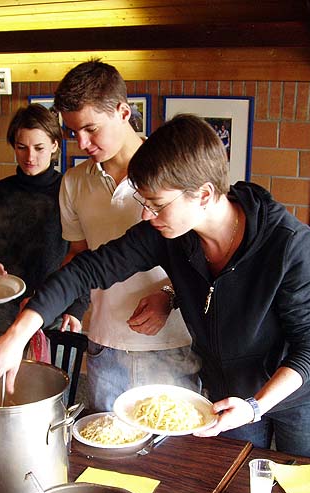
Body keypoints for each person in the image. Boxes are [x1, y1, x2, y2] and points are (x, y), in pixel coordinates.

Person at [0, 114, 310, 462]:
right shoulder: (169, 234)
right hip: (230, 391)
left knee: (308, 491)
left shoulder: (289, 244)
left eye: (156, 204)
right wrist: (18, 332)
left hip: (301, 390)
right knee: (235, 485)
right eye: (144, 203)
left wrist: (255, 407)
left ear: (203, 195)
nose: (146, 215)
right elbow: (87, 269)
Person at [54, 60, 200, 411]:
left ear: (123, 112)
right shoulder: (73, 182)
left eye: (90, 129)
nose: (82, 143)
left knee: (172, 443)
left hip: (172, 343)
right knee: (107, 441)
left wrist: (169, 295)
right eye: (73, 132)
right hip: (104, 345)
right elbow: (79, 255)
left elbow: (205, 258)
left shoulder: (174, 171)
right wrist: (54, 301)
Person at [0, 103, 80, 335]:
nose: (30, 157)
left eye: (39, 148)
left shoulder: (67, 190)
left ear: (54, 145)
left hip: (57, 302)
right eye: (21, 147)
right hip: (9, 301)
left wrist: (77, 308)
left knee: (51, 360)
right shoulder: (2, 191)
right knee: (11, 359)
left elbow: (82, 252)